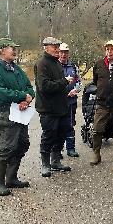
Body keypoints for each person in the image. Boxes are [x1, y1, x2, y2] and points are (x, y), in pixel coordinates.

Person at [0, 38, 35, 196]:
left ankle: (11, 178)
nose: (14, 50)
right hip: (5, 112)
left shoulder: (16, 68)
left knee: (22, 144)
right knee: (7, 148)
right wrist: (21, 96)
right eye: (10, 48)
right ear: (0, 50)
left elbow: (29, 87)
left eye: (15, 47)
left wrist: (27, 99)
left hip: (20, 112)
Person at [34, 37, 74, 177]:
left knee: (61, 134)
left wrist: (66, 87)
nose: (58, 49)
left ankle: (55, 161)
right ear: (46, 48)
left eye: (58, 46)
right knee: (49, 135)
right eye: (54, 47)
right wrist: (64, 82)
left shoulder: (56, 63)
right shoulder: (41, 64)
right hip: (48, 109)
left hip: (62, 107)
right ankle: (45, 164)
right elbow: (44, 86)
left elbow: (57, 84)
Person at [58, 42, 82, 157]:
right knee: (58, 126)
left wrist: (75, 90)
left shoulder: (73, 66)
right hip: (58, 102)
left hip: (71, 101)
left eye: (66, 52)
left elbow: (79, 82)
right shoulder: (54, 66)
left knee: (70, 125)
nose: (63, 55)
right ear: (58, 53)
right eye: (62, 52)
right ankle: (58, 150)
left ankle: (71, 148)